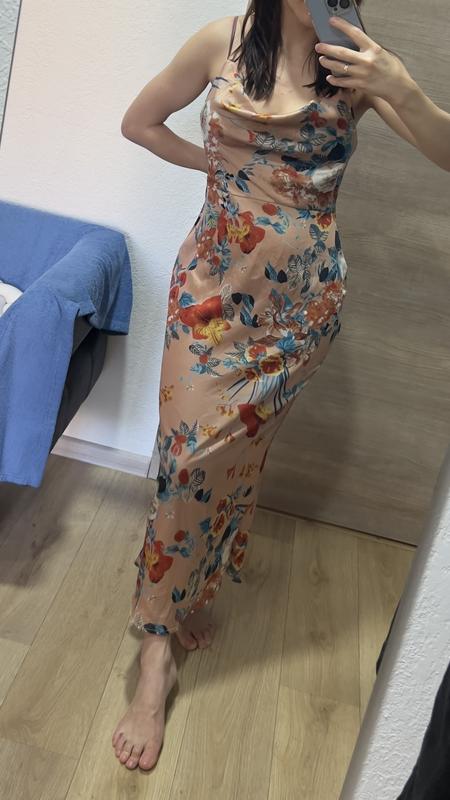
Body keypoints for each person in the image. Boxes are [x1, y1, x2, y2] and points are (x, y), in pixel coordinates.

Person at [113, 0, 450, 773]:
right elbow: (140, 124)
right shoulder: (221, 43)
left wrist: (400, 87)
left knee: (233, 464)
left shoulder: (357, 68)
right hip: (209, 296)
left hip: (300, 315)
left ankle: (191, 592)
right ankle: (155, 653)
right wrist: (220, 170)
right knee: (186, 462)